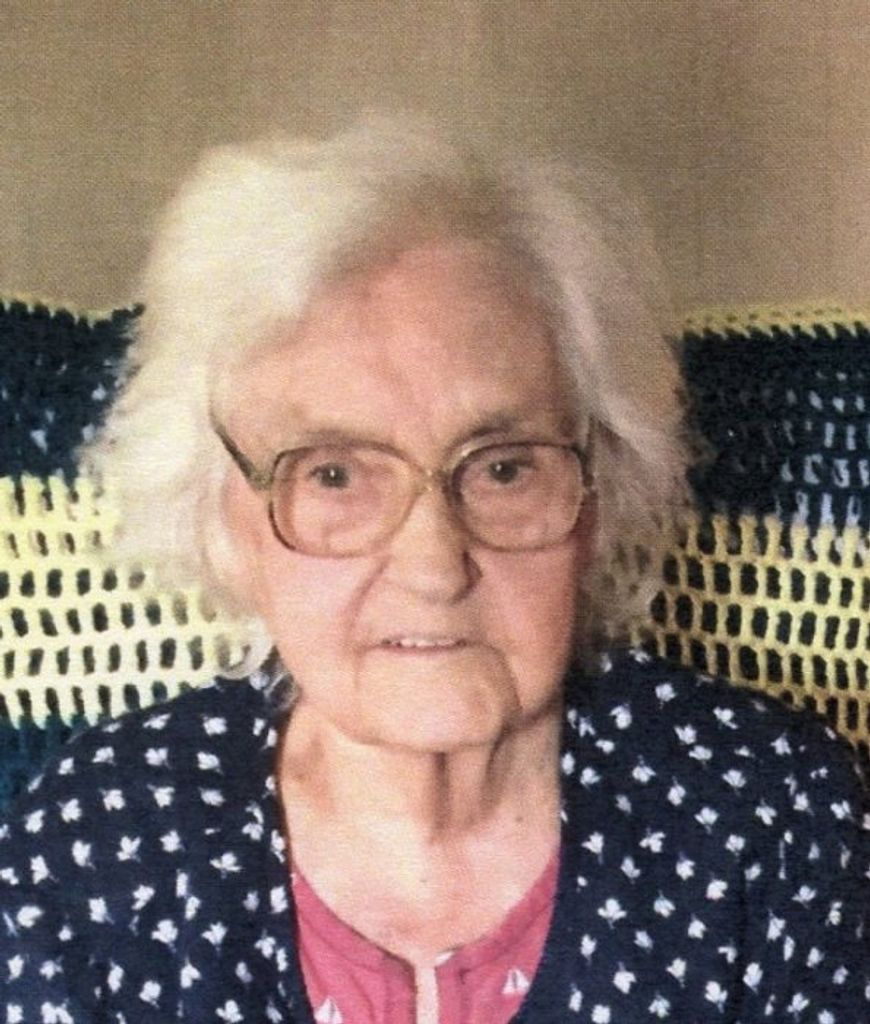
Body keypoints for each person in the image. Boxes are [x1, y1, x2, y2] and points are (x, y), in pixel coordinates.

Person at [0, 114, 867, 1024]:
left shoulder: (765, 815)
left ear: (601, 491)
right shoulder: (98, 849)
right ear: (224, 515)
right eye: (333, 475)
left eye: (503, 469)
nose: (433, 566)